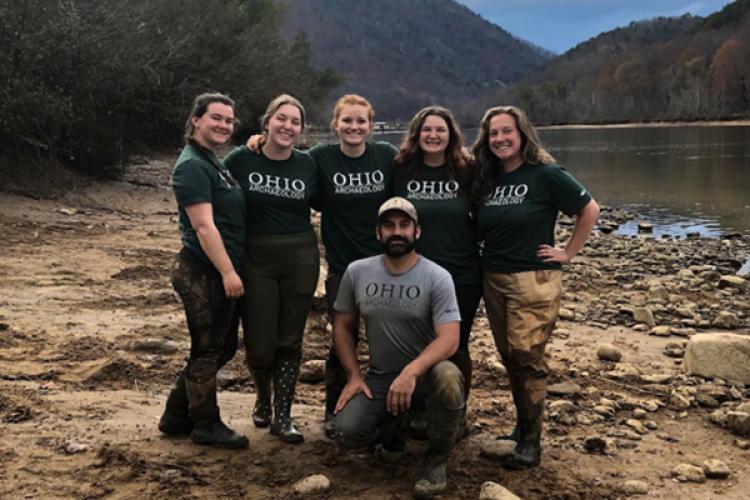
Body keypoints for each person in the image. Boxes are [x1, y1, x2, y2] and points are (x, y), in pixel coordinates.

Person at [247, 94, 398, 432]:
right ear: (335, 125)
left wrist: (459, 153)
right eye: (347, 121)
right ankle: (334, 411)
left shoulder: (386, 155)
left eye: (361, 121)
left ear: (371, 127)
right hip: (342, 269)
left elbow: (419, 166)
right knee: (342, 340)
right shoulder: (319, 158)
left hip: (387, 268)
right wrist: (260, 140)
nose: (354, 127)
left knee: (386, 342)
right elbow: (284, 159)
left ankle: (394, 414)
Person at [471, 105, 600, 469]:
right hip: (493, 278)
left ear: (522, 134)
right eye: (493, 133)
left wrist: (568, 252)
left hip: (534, 280)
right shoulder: (488, 177)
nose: (500, 139)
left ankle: (532, 441)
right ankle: (520, 426)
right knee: (510, 356)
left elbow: (590, 209)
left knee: (527, 357)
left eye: (506, 132)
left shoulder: (546, 174)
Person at [330, 197, 465, 499]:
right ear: (378, 233)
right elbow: (342, 326)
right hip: (382, 376)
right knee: (347, 432)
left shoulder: (437, 276)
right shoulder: (357, 272)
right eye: (389, 226)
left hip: (426, 375)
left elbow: (450, 338)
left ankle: (436, 461)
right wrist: (353, 376)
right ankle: (395, 432)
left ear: (417, 232)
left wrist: (411, 371)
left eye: (405, 225)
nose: (397, 232)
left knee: (449, 376)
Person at [225, 94, 320, 444]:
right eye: (282, 119)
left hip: (300, 257)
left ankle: (283, 414)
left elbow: (338, 200)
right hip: (256, 258)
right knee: (260, 343)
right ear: (267, 122)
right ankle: (262, 397)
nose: (288, 126)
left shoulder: (308, 165)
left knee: (290, 340)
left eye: (295, 122)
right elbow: (218, 202)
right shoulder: (240, 160)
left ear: (301, 130)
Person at [159, 92, 248, 449]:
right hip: (202, 269)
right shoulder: (192, 165)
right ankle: (206, 424)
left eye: (229, 120)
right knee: (208, 349)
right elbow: (204, 227)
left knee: (221, 347)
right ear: (196, 119)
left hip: (216, 267)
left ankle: (175, 415)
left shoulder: (211, 160)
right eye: (216, 118)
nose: (224, 125)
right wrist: (228, 272)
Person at [391, 106, 481, 417]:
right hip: (413, 274)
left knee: (456, 346)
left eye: (440, 130)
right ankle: (416, 410)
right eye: (427, 130)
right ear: (416, 134)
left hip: (462, 273)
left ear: (451, 135)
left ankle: (455, 414)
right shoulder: (400, 168)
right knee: (416, 343)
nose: (433, 135)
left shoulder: (467, 169)